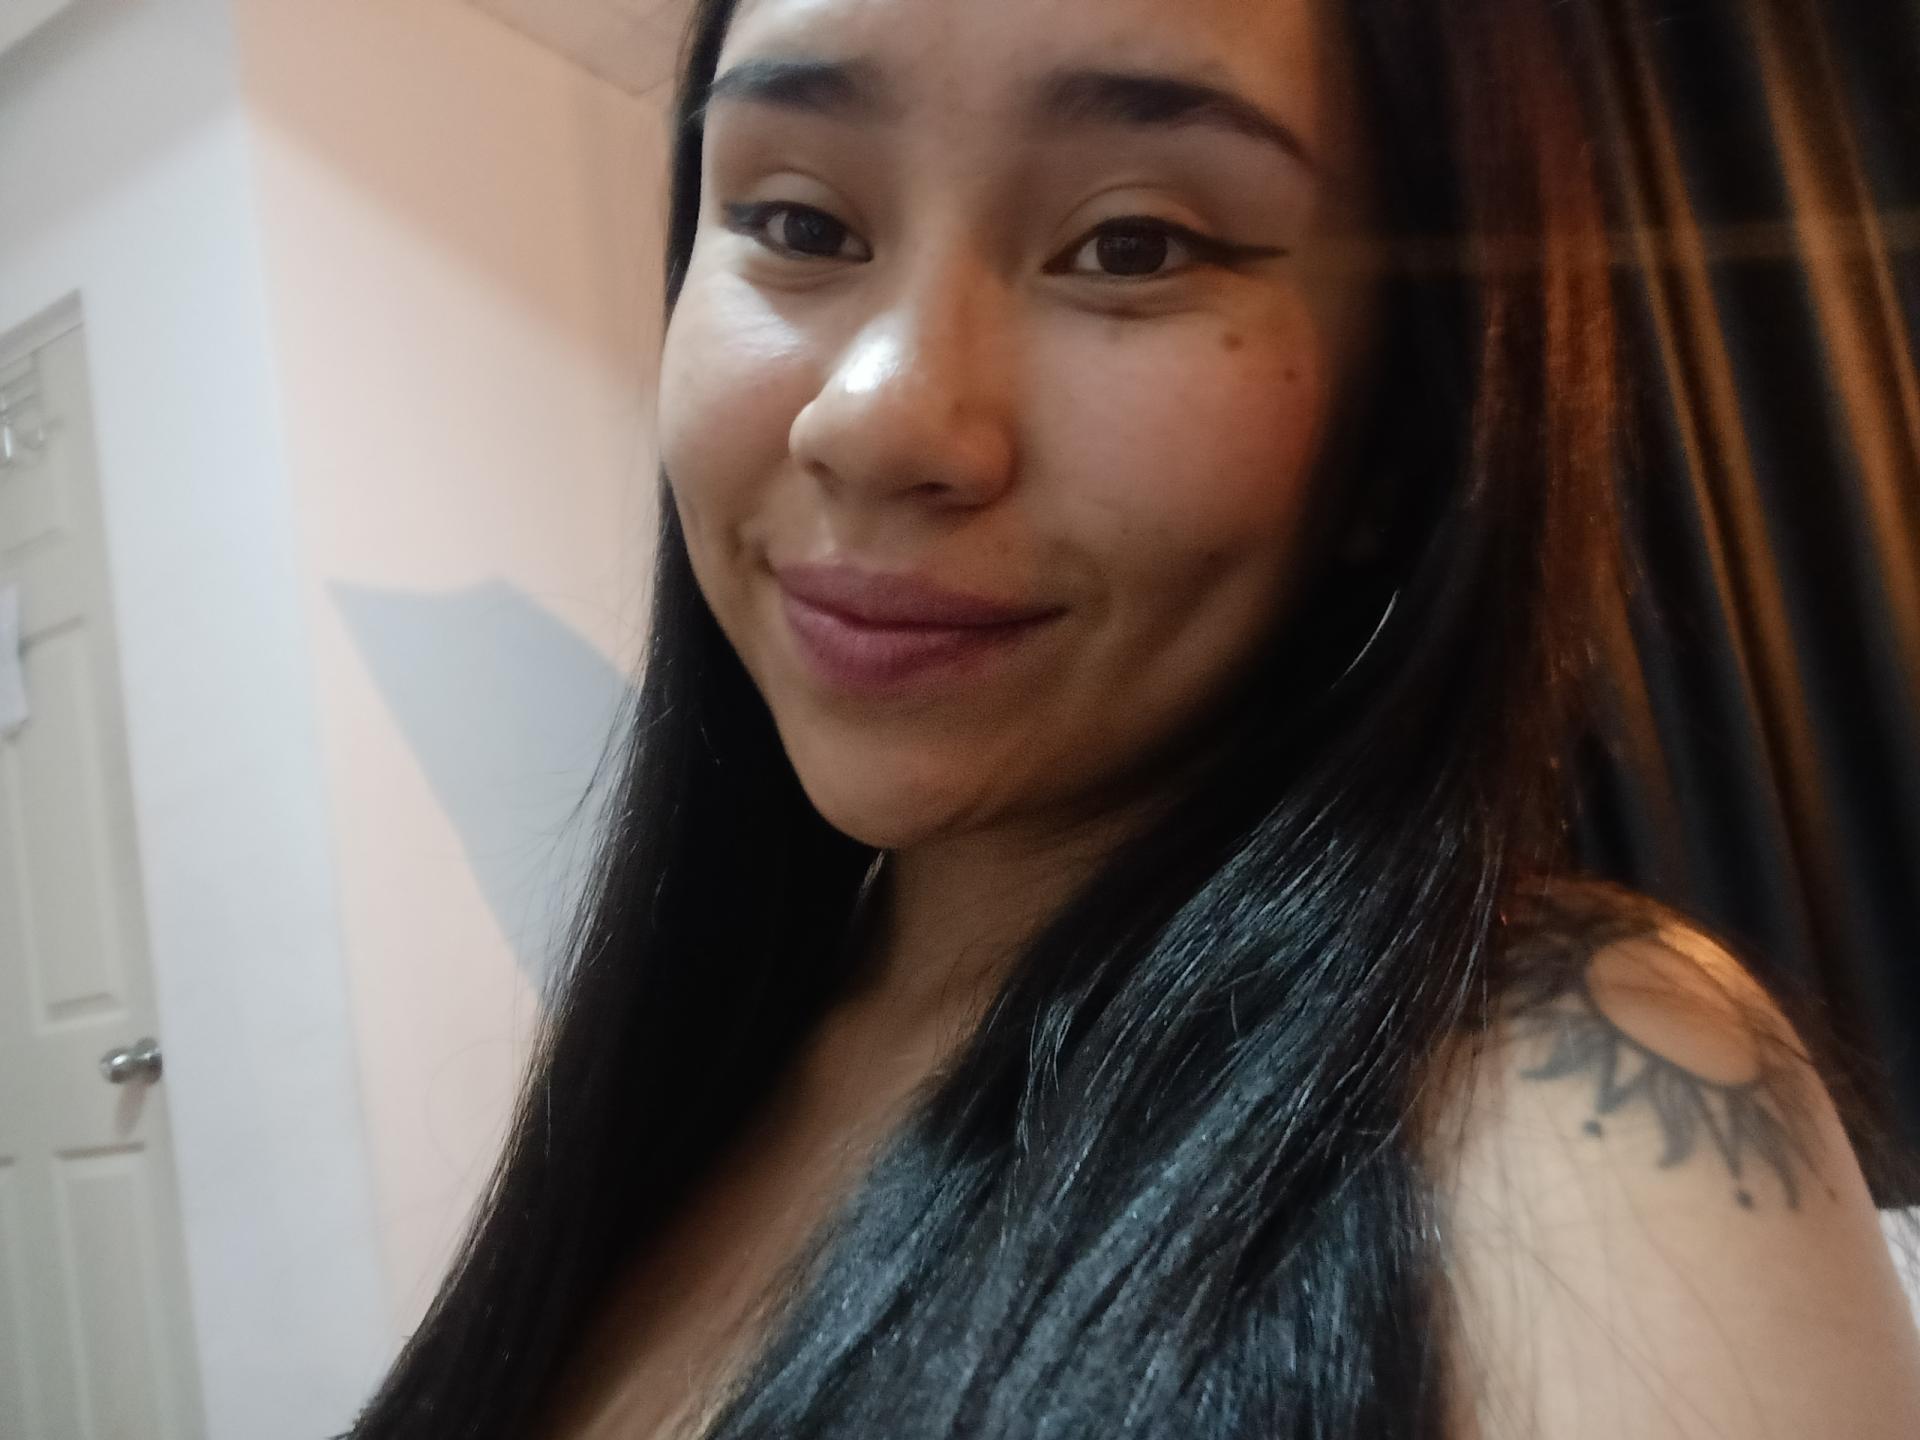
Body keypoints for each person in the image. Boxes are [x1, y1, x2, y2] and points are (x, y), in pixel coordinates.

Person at [346, 0, 1920, 1435]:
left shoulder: (1571, 1098)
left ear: (1404, 423)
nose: (880, 420)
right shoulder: (696, 1071)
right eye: (798, 221)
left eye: (1134, 245)